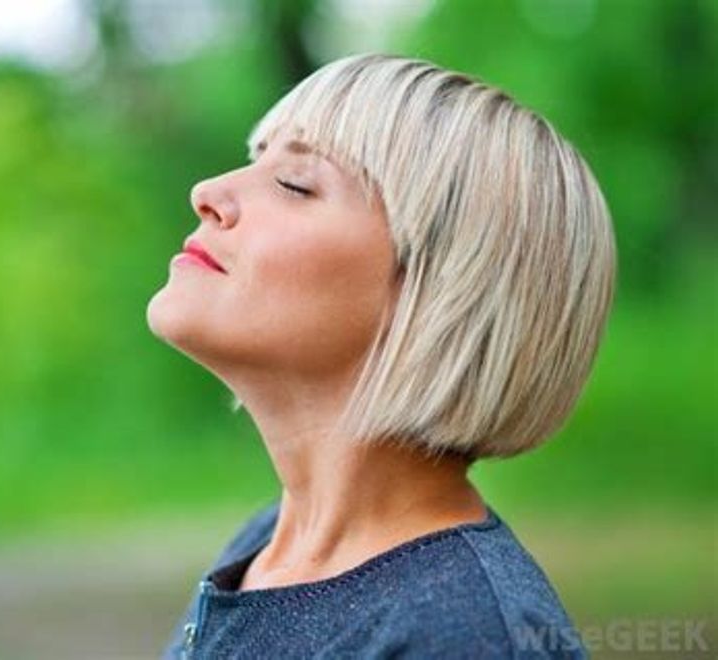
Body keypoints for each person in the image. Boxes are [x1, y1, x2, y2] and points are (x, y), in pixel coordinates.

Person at [146, 52, 615, 659]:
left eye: (295, 184)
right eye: (258, 160)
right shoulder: (265, 548)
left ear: (440, 292)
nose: (208, 191)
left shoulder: (463, 636)